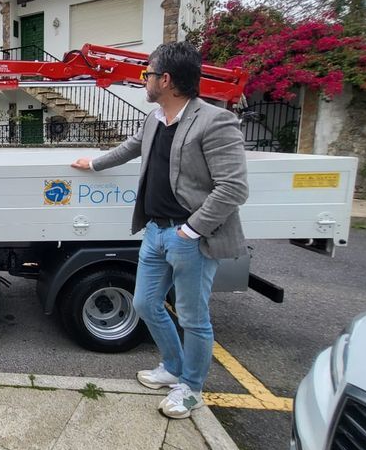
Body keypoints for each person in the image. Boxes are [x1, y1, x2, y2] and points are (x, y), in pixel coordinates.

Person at [72, 41, 249, 419]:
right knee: (145, 304)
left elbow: (233, 188)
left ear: (166, 80)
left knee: (193, 318)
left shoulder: (215, 121)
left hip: (190, 238)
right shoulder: (155, 119)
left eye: (147, 74)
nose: (144, 80)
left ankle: (192, 389)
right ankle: (172, 367)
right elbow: (133, 147)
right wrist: (95, 163)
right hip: (154, 231)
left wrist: (191, 230)